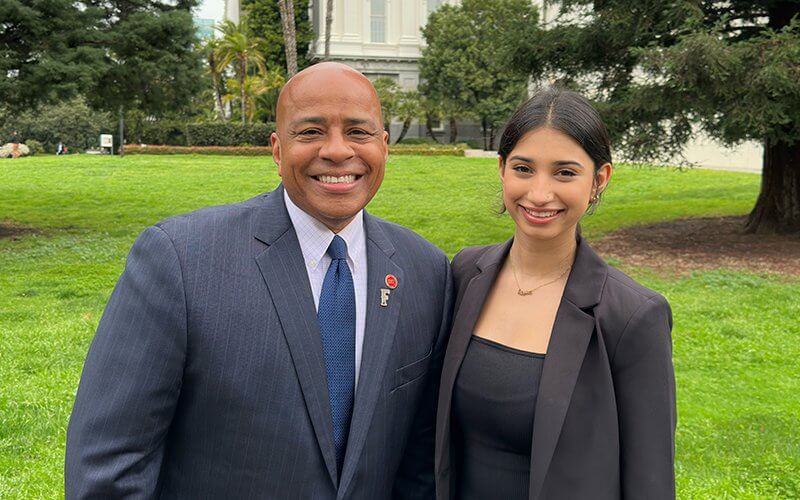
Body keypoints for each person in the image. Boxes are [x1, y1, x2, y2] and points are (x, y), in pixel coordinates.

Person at [66, 62, 453, 498]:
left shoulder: (426, 271)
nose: (338, 151)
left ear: (385, 146)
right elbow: (110, 464)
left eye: (358, 133)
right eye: (310, 132)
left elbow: (419, 465)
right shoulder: (181, 259)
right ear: (276, 149)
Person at [435, 89, 676, 499]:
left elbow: (650, 480)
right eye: (524, 168)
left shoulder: (632, 316)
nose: (540, 193)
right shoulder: (464, 274)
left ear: (599, 180)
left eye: (565, 173)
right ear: (501, 169)